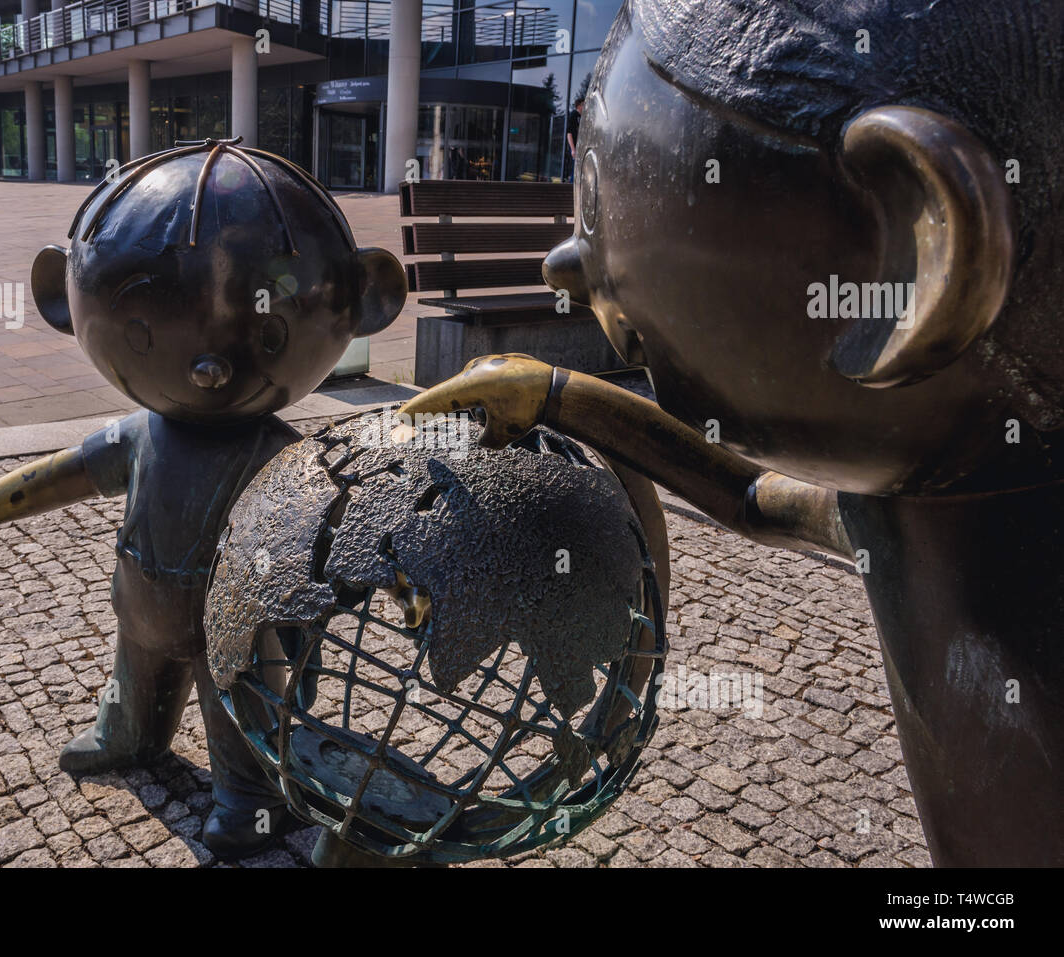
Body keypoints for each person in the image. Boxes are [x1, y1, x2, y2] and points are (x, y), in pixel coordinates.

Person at [404, 0, 1064, 866]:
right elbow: (754, 500)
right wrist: (561, 395)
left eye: (604, 207)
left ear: (913, 255)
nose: (570, 268)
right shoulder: (936, 488)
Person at [0, 140, 406, 859]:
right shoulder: (142, 434)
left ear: (367, 303)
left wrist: (390, 570)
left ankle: (249, 797)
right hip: (139, 601)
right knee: (135, 677)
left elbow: (338, 521)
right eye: (143, 330)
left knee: (238, 712)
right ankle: (129, 731)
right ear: (61, 294)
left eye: (260, 334)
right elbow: (70, 472)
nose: (208, 366)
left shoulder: (277, 454)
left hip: (235, 624)